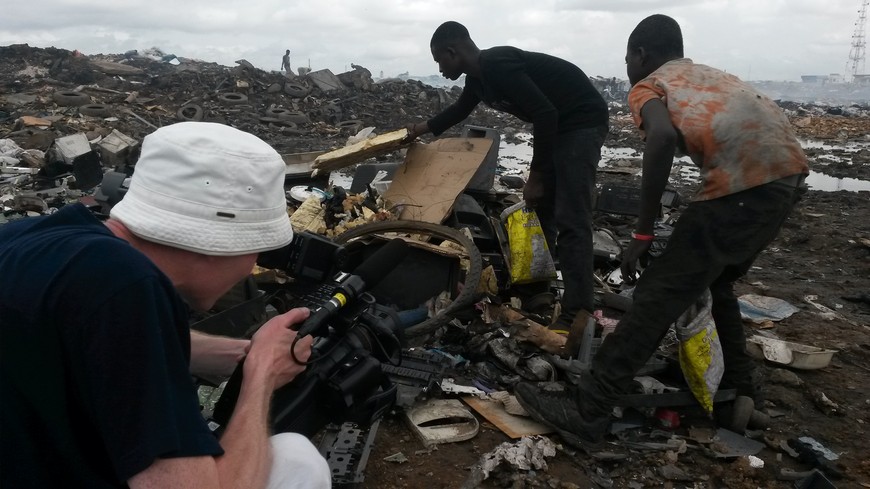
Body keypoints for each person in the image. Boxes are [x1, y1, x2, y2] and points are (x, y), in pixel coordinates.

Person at [515, 14, 809, 450]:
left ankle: (589, 409)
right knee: (717, 284)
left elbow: (661, 138)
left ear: (640, 54)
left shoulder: (649, 85)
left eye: (627, 60)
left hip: (741, 186)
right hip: (788, 180)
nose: (627, 70)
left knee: (657, 295)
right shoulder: (707, 76)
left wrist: (643, 232)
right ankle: (740, 394)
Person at [0, 122, 332, 488]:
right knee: (297, 460)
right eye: (257, 249)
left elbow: (101, 343)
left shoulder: (36, 240)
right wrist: (262, 373)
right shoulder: (126, 286)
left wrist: (240, 354)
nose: (252, 264)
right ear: (220, 243)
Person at [404, 21, 609, 330]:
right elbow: (459, 112)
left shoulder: (497, 64)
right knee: (543, 212)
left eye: (439, 60)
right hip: (558, 126)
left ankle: (577, 313)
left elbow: (545, 113)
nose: (440, 68)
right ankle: (538, 291)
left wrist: (536, 177)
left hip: (581, 121)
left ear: (452, 51)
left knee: (571, 217)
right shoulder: (477, 80)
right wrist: (416, 131)